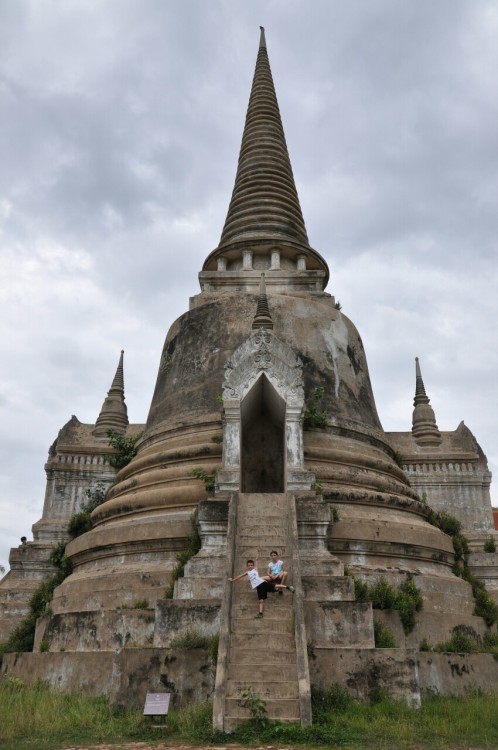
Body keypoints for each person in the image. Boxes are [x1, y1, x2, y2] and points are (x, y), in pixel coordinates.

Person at [228, 547, 277, 618]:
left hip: (261, 583)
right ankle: (260, 613)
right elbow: (240, 576)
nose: (250, 566)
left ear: (253, 566)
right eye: (249, 565)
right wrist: (233, 579)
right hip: (258, 587)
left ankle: (276, 589)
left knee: (270, 587)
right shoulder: (247, 572)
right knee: (261, 600)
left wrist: (258, 552)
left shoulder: (255, 569)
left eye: (251, 565)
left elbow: (257, 560)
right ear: (247, 566)